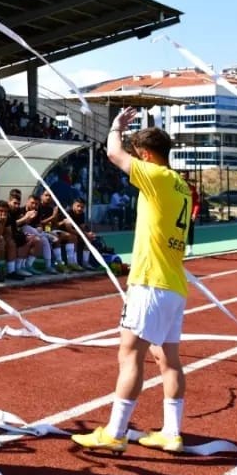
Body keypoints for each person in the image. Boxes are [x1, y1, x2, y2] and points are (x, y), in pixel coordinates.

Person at [72, 108, 190, 454]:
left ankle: (116, 431)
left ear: (148, 155)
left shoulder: (156, 176)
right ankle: (172, 431)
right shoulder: (181, 183)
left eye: (140, 155)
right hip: (172, 284)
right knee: (168, 359)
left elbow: (112, 152)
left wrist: (116, 127)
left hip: (151, 282)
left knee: (130, 355)